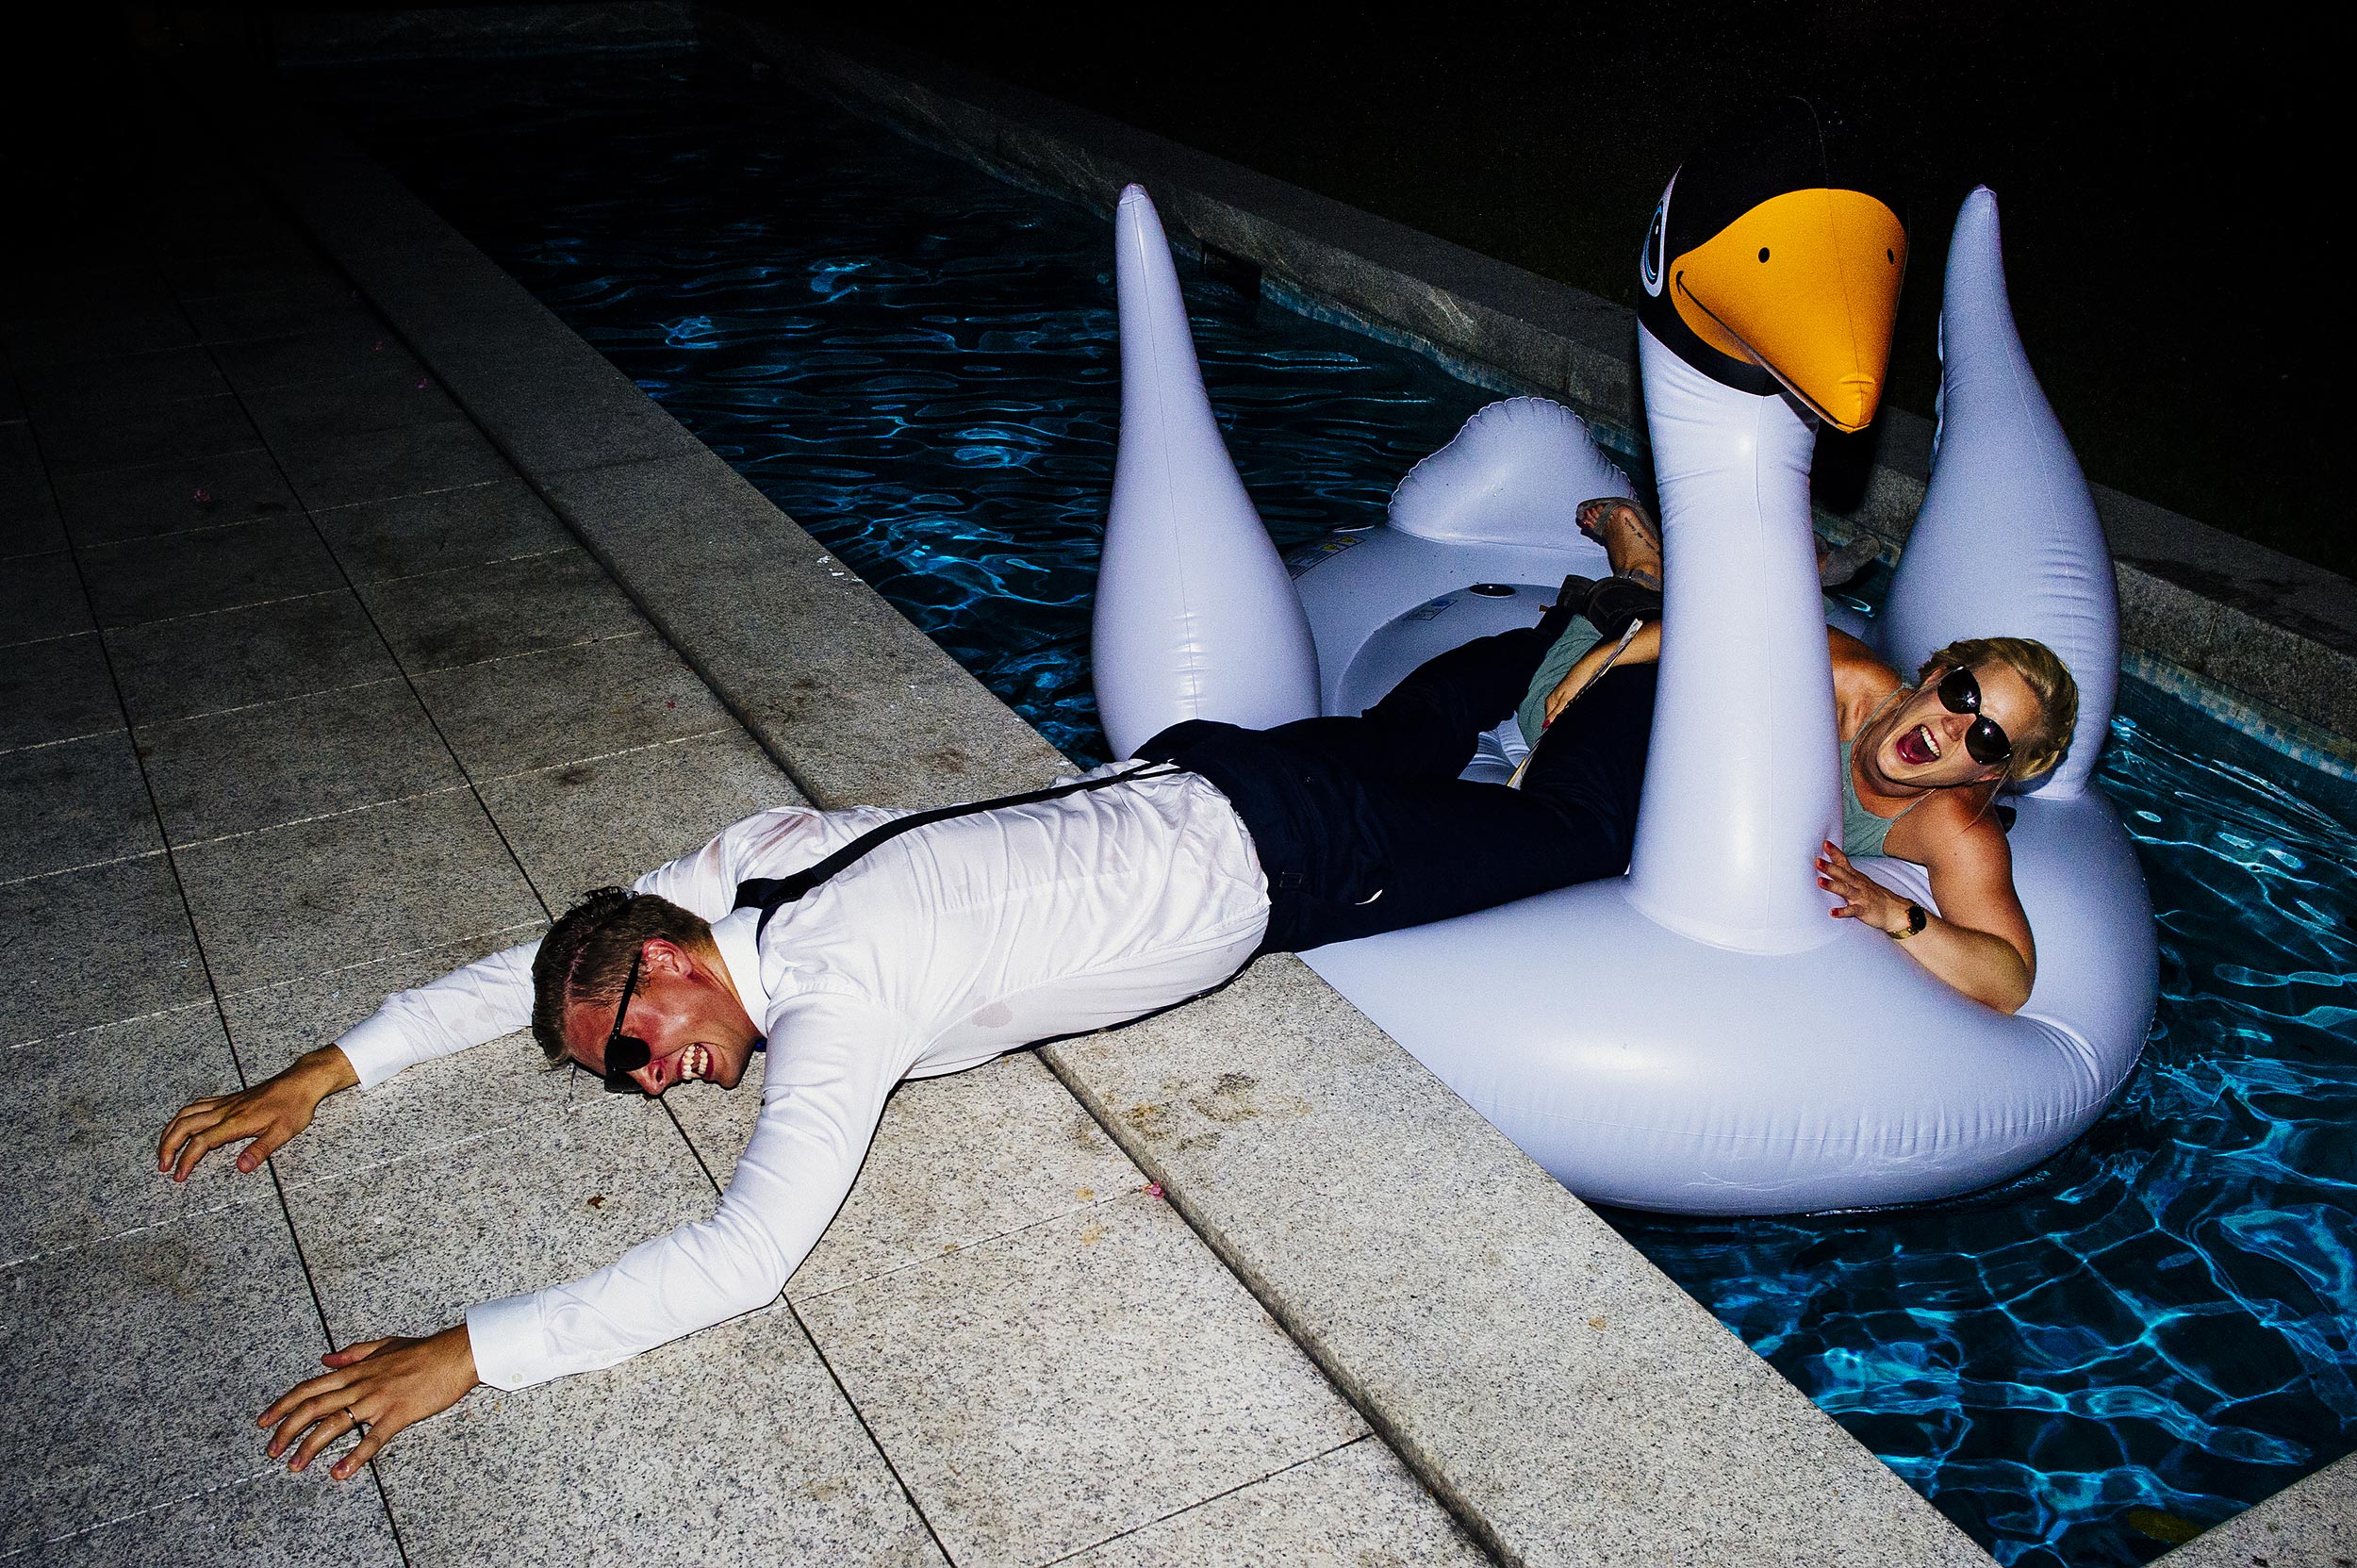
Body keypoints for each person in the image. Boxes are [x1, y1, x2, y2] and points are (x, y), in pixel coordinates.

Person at [156, 512, 1672, 1482]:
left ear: (674, 962)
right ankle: (1582, 610)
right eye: (623, 1073)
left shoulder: (839, 993)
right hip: (1202, 768)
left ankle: (1687, 645)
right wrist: (323, 1067)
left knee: (1570, 829)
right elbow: (546, 969)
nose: (653, 1080)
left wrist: (471, 1348)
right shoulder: (742, 862)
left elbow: (743, 1254)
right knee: (1391, 732)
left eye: (641, 1048)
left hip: (1292, 855)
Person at [1529, 498, 2077, 1015]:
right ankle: (1640, 558)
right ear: (1934, 676)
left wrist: (1896, 914)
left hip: (1715, 706)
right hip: (1654, 662)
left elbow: (2009, 980)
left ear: (1988, 774)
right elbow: (1712, 633)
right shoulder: (1845, 679)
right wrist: (1597, 661)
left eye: (1987, 738)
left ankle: (1799, 574)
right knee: (1561, 704)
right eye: (1962, 695)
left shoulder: (1951, 824)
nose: (1955, 727)